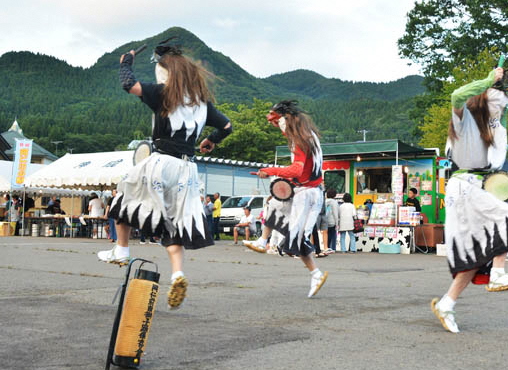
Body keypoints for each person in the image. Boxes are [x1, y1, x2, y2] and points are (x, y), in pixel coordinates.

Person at [97, 39, 232, 310]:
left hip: (162, 161)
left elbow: (129, 85)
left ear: (166, 73)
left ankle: (122, 249)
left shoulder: (164, 93)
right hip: (188, 170)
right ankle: (178, 273)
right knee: (173, 221)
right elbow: (227, 126)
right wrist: (212, 140)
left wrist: (126, 61)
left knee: (125, 196)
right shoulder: (202, 104)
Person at [430, 66, 508, 334]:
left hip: (477, 187)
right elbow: (457, 94)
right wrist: (488, 80)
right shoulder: (464, 119)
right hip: (464, 186)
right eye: (497, 102)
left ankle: (446, 304)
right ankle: (499, 274)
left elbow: (506, 149)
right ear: (483, 99)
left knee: (475, 258)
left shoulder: (492, 129)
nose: (501, 109)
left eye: (503, 106)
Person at [248, 100, 328, 298]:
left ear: (286, 119)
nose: (276, 126)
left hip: (308, 194)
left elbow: (296, 170)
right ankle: (263, 240)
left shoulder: (299, 140)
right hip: (309, 190)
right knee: (274, 204)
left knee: (296, 240)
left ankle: (315, 272)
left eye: (277, 122)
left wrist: (271, 170)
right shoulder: (307, 136)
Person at [324, 189, 339, 254]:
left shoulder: (324, 201)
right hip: (332, 220)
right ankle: (333, 248)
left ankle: (327, 247)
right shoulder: (334, 202)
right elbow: (335, 213)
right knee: (333, 234)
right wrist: (337, 223)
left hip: (324, 220)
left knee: (327, 234)